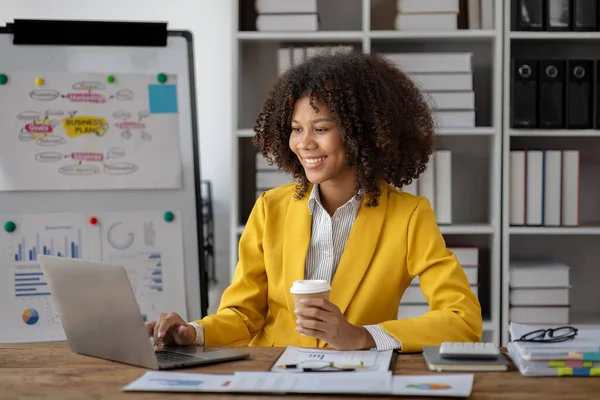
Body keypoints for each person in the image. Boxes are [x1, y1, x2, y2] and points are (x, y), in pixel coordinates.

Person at [147, 51, 483, 353]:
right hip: (271, 379)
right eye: (296, 129)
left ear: (362, 133)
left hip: (356, 381)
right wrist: (192, 332)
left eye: (320, 128)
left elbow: (462, 321)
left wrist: (362, 336)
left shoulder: (408, 216)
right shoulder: (269, 209)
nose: (304, 143)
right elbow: (242, 315)